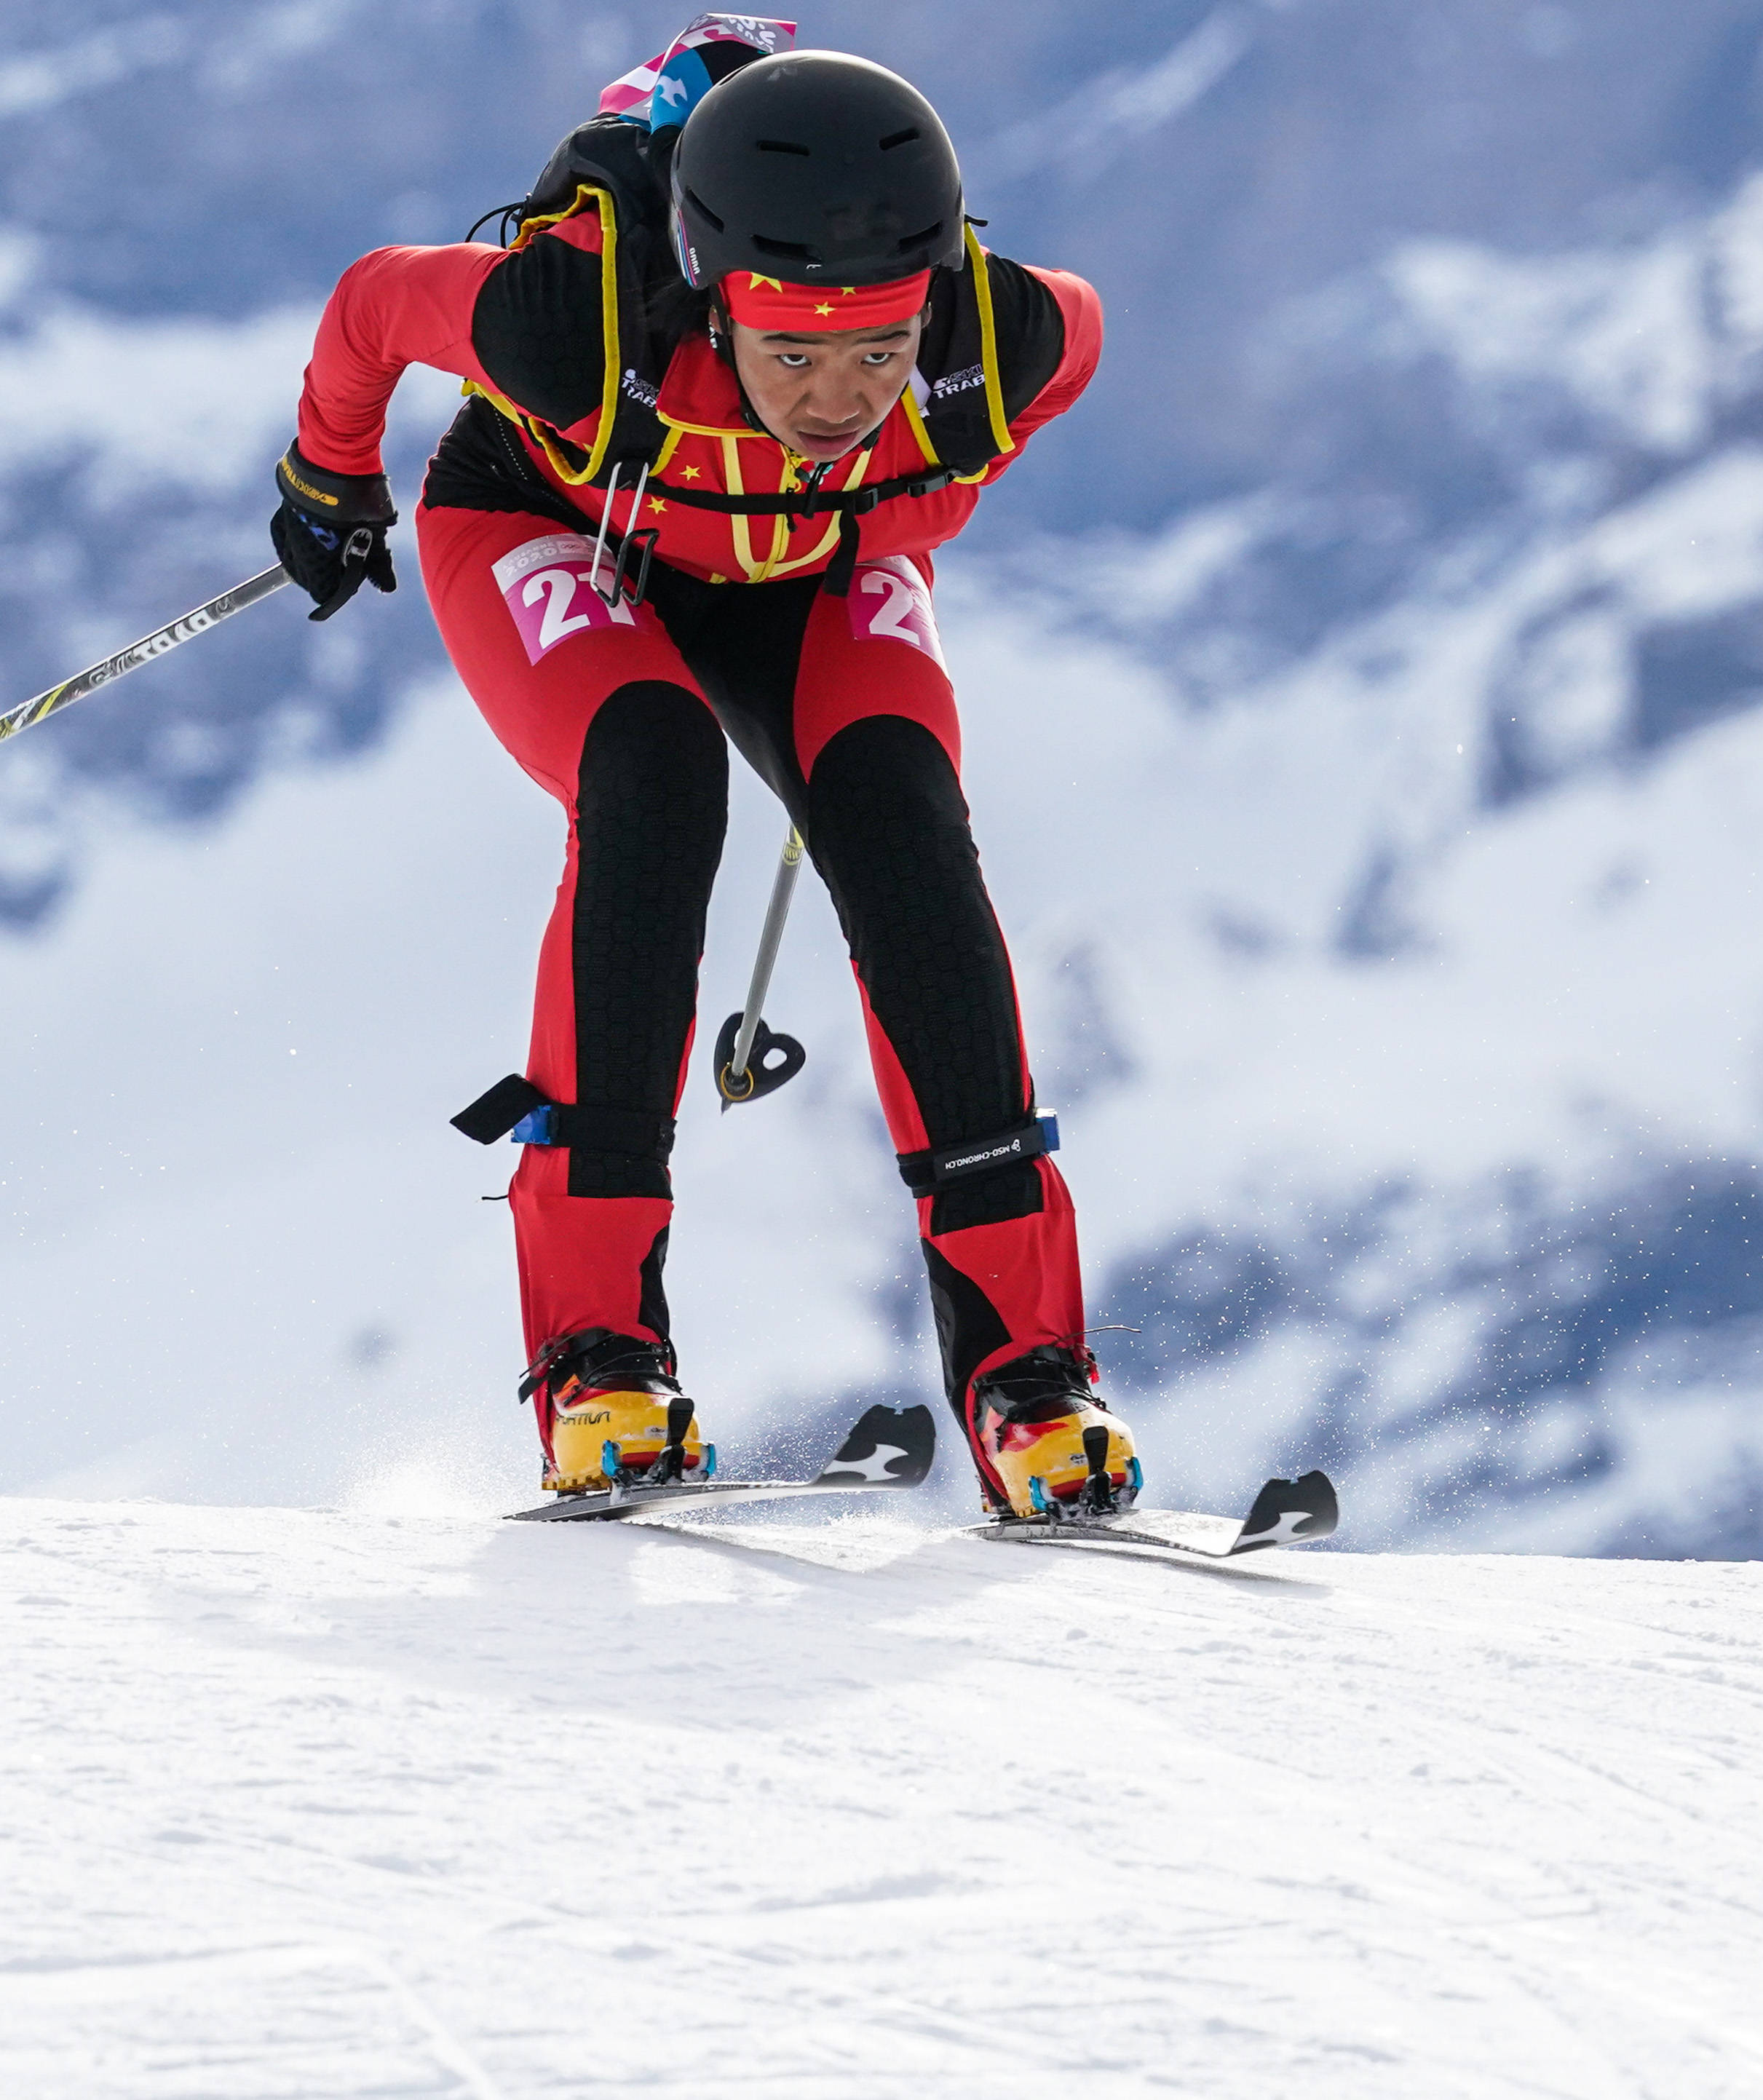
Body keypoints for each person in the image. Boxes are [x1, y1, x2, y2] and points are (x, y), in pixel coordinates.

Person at [266, 27, 1135, 1518]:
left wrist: (905, 513)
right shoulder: (569, 326)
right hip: (556, 521)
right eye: (793, 351)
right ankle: (598, 1363)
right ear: (712, 293)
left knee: (905, 823)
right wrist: (329, 478)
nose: (839, 397)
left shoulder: (993, 332)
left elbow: (1084, 332)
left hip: (806, 562)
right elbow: (370, 309)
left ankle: (1030, 1384)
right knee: (656, 777)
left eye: (879, 350)